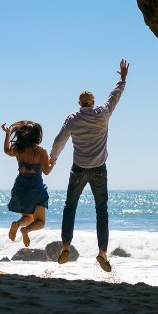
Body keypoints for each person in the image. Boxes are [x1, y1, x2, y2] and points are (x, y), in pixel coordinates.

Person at [50, 59, 129, 272]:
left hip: (78, 169)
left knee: (70, 207)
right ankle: (102, 252)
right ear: (93, 102)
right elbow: (114, 97)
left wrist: (53, 158)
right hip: (99, 170)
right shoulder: (102, 114)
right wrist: (121, 79)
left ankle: (66, 246)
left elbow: (59, 140)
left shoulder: (73, 118)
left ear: (79, 103)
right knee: (101, 211)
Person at [2, 120, 55, 247]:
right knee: (40, 221)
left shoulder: (18, 150)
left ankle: (17, 224)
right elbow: (46, 171)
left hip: (20, 187)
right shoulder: (41, 151)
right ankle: (26, 230)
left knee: (28, 217)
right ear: (37, 136)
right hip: (35, 189)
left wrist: (7, 134)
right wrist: (52, 163)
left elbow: (6, 150)